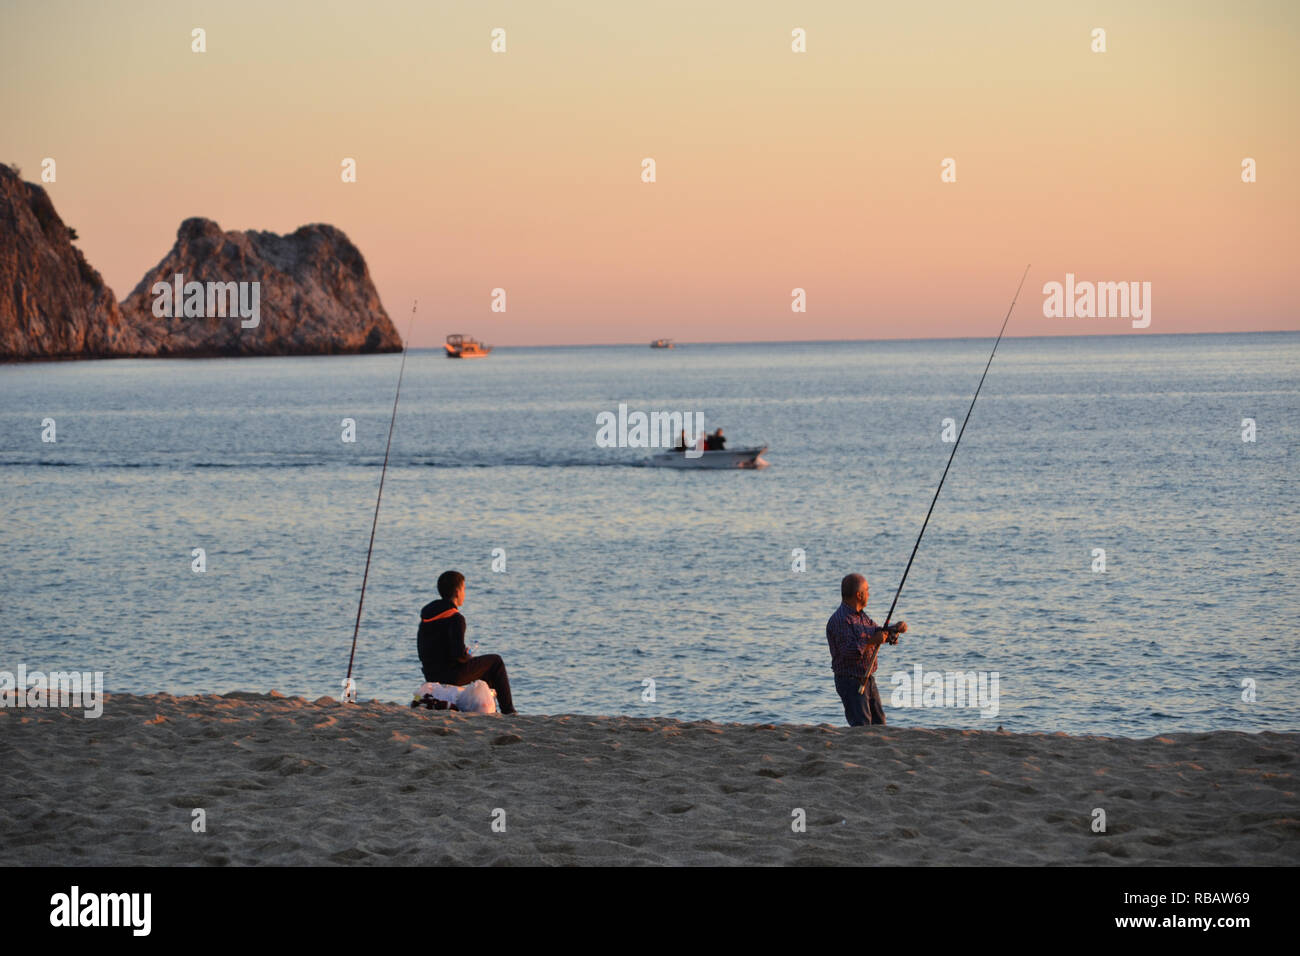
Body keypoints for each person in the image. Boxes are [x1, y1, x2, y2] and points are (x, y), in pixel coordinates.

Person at [418, 570, 517, 714]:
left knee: (483, 667)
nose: (465, 593)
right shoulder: (456, 618)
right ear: (458, 592)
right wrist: (467, 656)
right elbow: (458, 654)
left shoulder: (427, 615)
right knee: (495, 662)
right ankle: (509, 711)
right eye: (464, 589)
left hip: (430, 673)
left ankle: (488, 707)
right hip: (450, 675)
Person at [825, 573, 906, 726]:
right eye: (867, 590)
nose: (869, 594)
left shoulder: (862, 617)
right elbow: (849, 652)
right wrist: (871, 642)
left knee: (879, 723)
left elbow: (877, 632)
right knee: (862, 725)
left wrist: (895, 630)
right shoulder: (841, 620)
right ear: (859, 594)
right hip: (850, 681)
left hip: (867, 678)